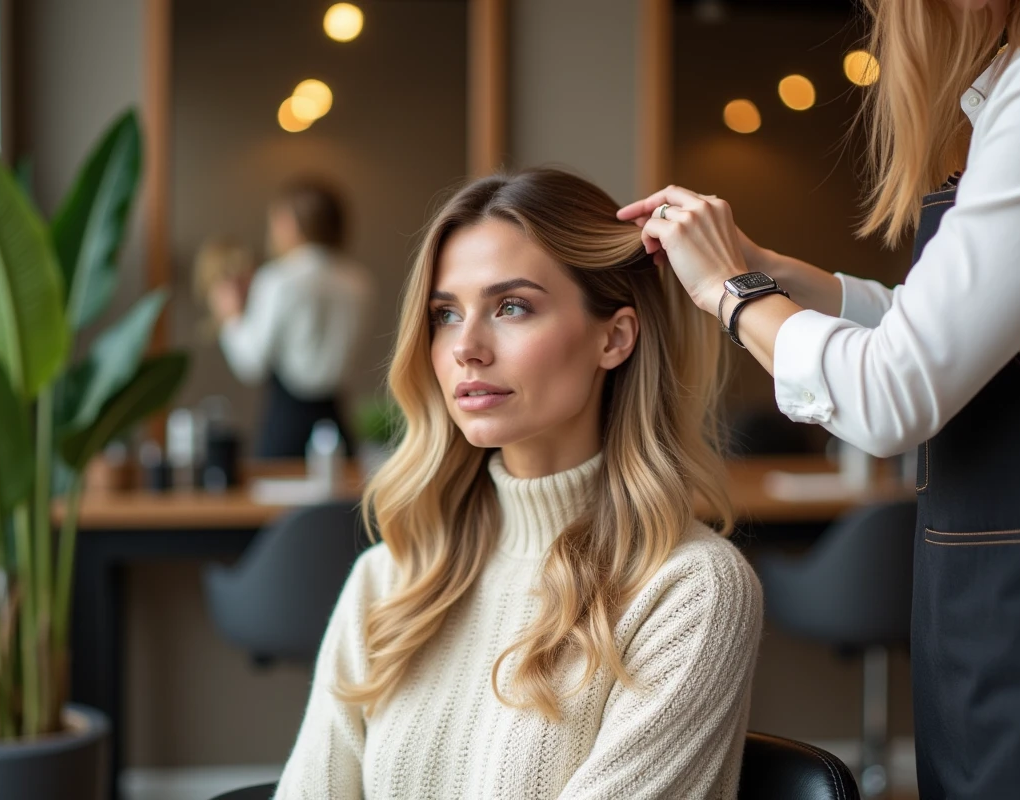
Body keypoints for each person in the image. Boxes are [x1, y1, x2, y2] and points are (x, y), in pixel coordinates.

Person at [618, 1, 1020, 797]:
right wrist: (764, 268)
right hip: (994, 598)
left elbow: (891, 392)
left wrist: (731, 293)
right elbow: (935, 334)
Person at [273, 169, 763, 799]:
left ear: (614, 337)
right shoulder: (390, 581)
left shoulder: (691, 592)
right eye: (446, 314)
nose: (466, 348)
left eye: (511, 307)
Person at [209, 179, 372, 459]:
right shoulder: (359, 282)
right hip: (337, 423)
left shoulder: (277, 279)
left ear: (290, 222)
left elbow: (252, 363)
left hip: (286, 424)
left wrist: (232, 316)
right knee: (339, 501)